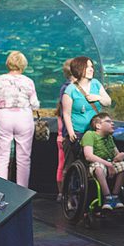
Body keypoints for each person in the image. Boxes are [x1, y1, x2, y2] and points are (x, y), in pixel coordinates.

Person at [0, 50, 40, 187]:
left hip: (4, 117)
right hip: (24, 117)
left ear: (8, 64)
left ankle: (0, 189)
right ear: (23, 64)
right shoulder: (28, 81)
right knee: (24, 158)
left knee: (2, 157)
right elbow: (35, 104)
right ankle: (22, 192)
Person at [62, 57, 111, 170]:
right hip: (78, 134)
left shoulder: (96, 84)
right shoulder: (70, 90)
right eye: (87, 67)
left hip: (96, 133)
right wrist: (70, 132)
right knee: (72, 166)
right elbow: (66, 114)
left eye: (91, 67)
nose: (91, 69)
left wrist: (98, 97)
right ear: (79, 69)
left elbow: (108, 102)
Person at [82, 112, 124, 210]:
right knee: (99, 168)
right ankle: (107, 197)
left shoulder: (109, 138)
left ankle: (115, 196)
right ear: (98, 125)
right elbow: (88, 156)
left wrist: (121, 155)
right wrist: (108, 164)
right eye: (108, 121)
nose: (112, 123)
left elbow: (116, 154)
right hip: (96, 163)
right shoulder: (90, 135)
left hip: (109, 163)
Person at [55, 58, 74, 202]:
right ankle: (64, 192)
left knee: (63, 163)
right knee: (65, 164)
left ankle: (62, 193)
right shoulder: (68, 89)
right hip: (66, 133)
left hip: (63, 133)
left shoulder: (64, 88)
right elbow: (63, 113)